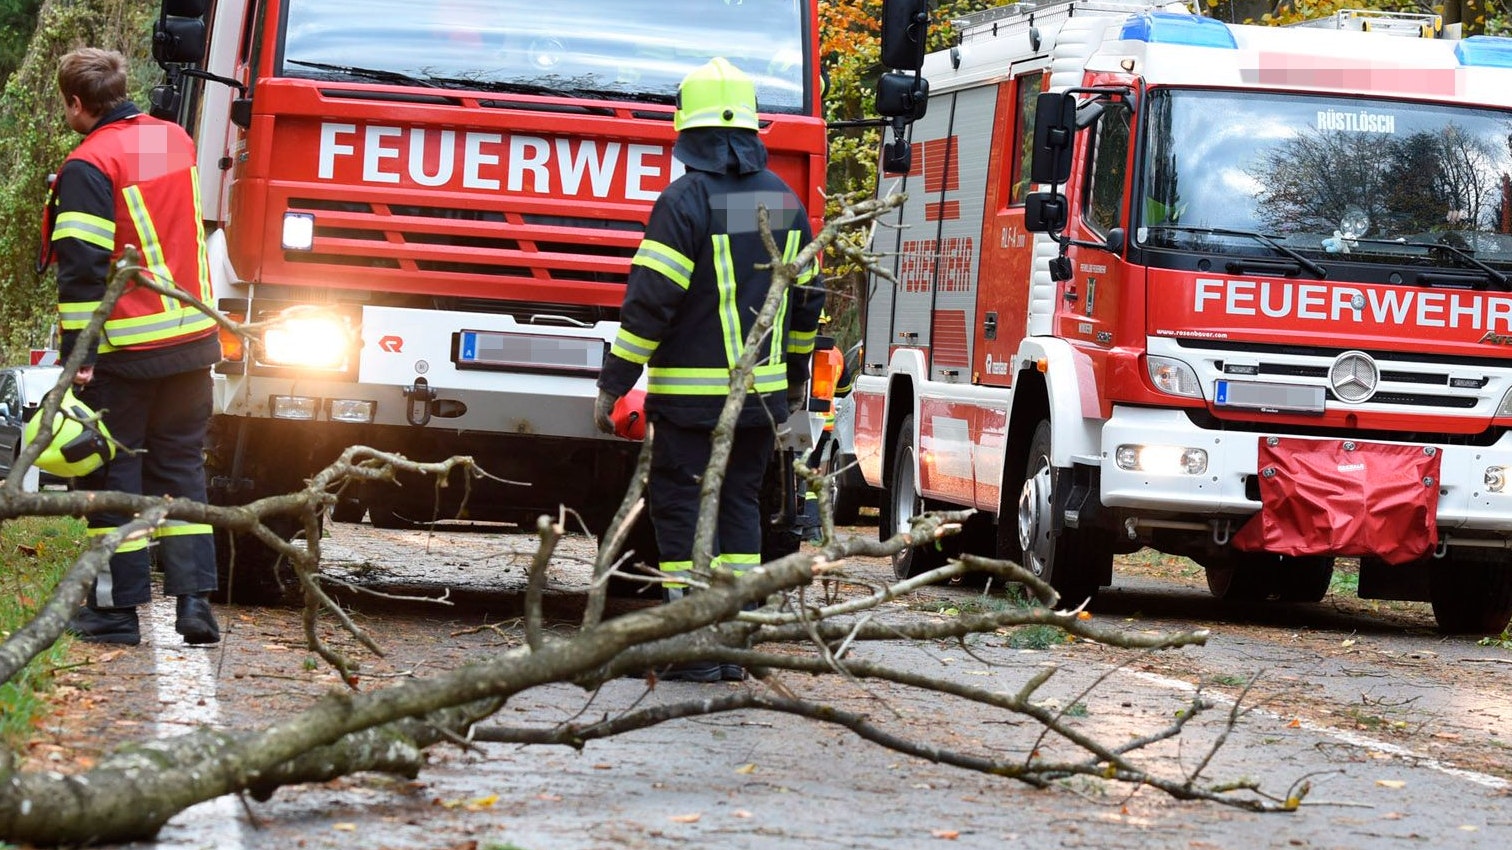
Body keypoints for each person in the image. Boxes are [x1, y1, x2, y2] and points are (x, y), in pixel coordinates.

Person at [594, 57, 823, 682]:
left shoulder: (683, 200)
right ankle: (732, 644)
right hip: (760, 405)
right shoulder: (784, 201)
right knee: (739, 513)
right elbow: (807, 302)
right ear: (752, 130)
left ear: (685, 131)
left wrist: (615, 380)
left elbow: (651, 302)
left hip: (693, 409)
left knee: (683, 513)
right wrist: (793, 378)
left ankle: (692, 649)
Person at [43, 48, 222, 647]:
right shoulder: (174, 140)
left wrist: (80, 359)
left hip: (126, 351)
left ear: (76, 102)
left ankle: (116, 614)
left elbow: (82, 272)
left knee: (114, 476)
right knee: (180, 471)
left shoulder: (88, 164)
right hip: (194, 342)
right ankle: (195, 607)